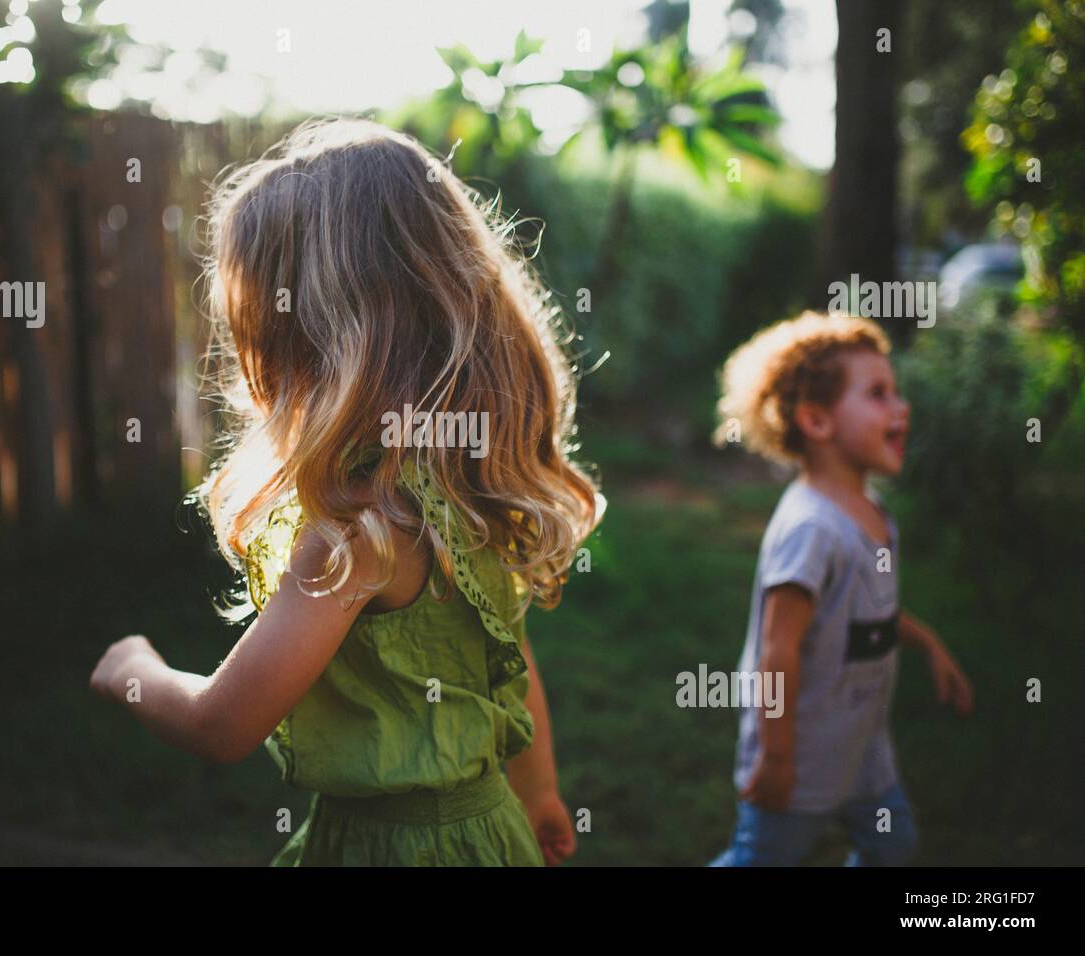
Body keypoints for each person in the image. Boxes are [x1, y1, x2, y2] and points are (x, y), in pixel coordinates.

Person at [90, 117, 603, 866]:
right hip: (492, 830)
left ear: (305, 338)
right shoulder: (469, 489)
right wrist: (542, 792)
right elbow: (512, 669)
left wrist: (131, 671)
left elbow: (222, 725)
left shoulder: (355, 533)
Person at [708, 311, 975, 866]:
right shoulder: (811, 529)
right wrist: (778, 759)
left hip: (862, 748)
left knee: (893, 845)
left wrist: (928, 644)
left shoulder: (871, 512)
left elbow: (864, 612)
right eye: (878, 394)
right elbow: (776, 653)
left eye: (896, 392)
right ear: (817, 420)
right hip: (802, 755)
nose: (901, 408)